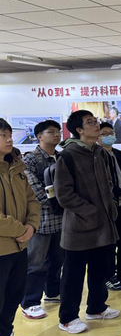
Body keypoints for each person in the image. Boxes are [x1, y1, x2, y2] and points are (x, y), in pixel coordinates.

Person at [55, 110, 120, 334]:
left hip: (103, 224)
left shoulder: (100, 153)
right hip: (79, 227)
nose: (96, 125)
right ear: (79, 130)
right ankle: (67, 318)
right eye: (90, 122)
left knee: (99, 269)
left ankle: (97, 307)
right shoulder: (68, 156)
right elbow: (64, 195)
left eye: (96, 121)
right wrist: (90, 211)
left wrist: (111, 207)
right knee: (73, 275)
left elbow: (109, 184)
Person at [0, 118, 39, 336]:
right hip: (5, 244)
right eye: (2, 135)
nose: (9, 139)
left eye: (8, 134)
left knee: (12, 296)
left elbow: (32, 200)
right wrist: (20, 230)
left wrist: (31, 227)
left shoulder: (16, 167)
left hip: (19, 246)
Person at [20, 120, 65, 320]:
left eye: (58, 131)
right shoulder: (31, 159)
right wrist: (58, 202)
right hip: (41, 219)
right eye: (51, 132)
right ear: (39, 136)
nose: (56, 135)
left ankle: (53, 292)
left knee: (57, 259)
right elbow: (33, 189)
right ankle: (29, 302)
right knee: (35, 263)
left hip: (61, 218)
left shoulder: (61, 157)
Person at [98, 123, 121, 292]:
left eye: (111, 133)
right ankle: (108, 275)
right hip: (107, 207)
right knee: (109, 243)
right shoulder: (97, 156)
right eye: (104, 133)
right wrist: (119, 192)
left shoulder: (119, 154)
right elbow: (101, 184)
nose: (109, 136)